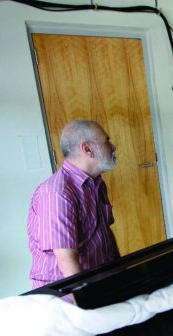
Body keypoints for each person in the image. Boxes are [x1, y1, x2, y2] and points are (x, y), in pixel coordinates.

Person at [27, 120, 120, 288]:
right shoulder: (57, 194)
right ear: (87, 149)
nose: (113, 147)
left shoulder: (97, 183)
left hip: (99, 280)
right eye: (107, 141)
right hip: (65, 293)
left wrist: (120, 272)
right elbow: (67, 264)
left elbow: (104, 232)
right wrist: (87, 301)